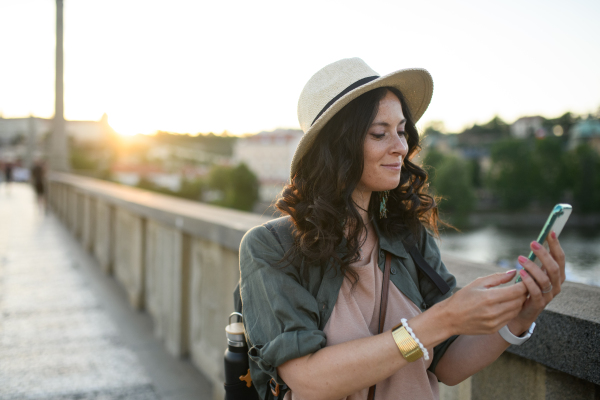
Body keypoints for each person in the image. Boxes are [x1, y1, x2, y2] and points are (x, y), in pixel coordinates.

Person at [238, 58, 566, 400]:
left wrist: (519, 318)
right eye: (380, 133)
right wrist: (441, 320)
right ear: (337, 146)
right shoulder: (271, 247)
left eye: (401, 130)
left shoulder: (409, 237)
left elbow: (447, 365)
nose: (401, 146)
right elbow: (309, 379)